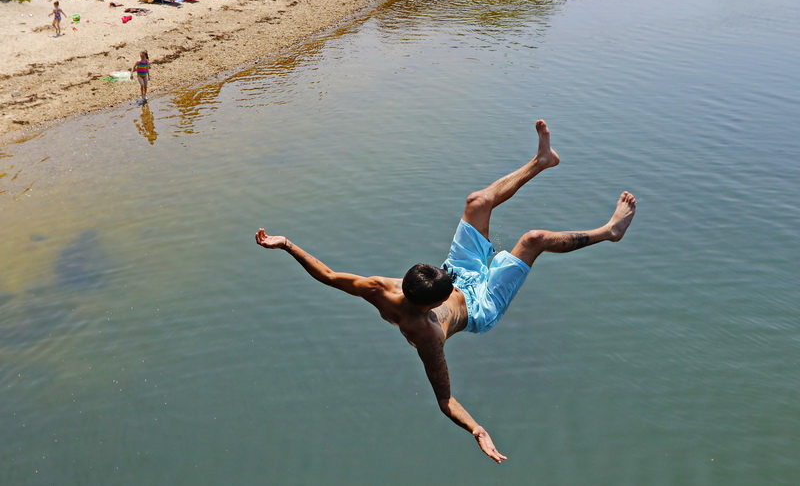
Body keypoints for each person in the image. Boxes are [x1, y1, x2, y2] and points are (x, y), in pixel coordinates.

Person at [255, 120, 637, 464]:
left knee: (477, 201)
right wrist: (477, 430)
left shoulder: (380, 288)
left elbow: (327, 274)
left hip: (461, 275)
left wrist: (287, 244)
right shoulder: (427, 336)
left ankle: (542, 160)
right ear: (435, 303)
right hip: (481, 307)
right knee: (533, 239)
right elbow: (444, 399)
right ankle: (610, 232)